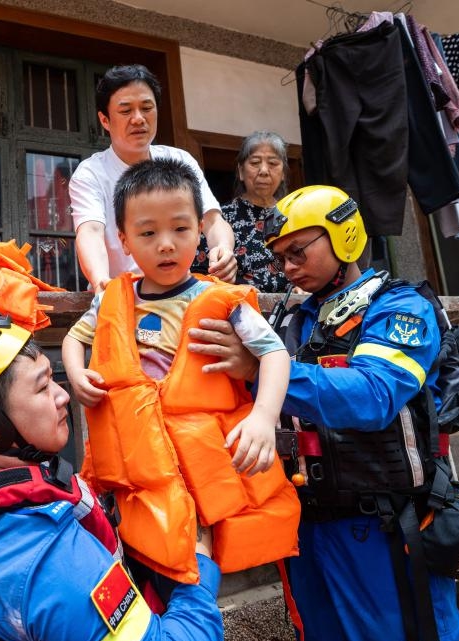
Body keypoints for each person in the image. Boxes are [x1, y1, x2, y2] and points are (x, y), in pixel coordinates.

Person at [194, 185, 459, 641]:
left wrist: (263, 368)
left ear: (344, 236)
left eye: (298, 250)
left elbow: (374, 395)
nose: (289, 266)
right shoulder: (288, 318)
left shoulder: (398, 305)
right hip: (304, 525)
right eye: (280, 257)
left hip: (381, 525)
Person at [0, 312, 225, 641]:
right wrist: (198, 571)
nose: (63, 397)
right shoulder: (46, 559)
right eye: (42, 387)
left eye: (54, 379)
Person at [62, 158, 298, 591]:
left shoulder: (220, 299)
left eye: (181, 229)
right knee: (143, 552)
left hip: (202, 460)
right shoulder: (114, 298)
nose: (166, 245)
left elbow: (275, 354)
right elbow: (75, 339)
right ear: (124, 241)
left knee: (196, 559)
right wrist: (76, 375)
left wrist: (263, 417)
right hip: (139, 461)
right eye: (148, 233)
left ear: (201, 233)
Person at [69, 64, 237, 291]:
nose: (138, 119)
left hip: (179, 291)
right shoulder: (90, 173)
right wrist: (101, 282)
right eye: (126, 111)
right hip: (119, 295)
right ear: (105, 120)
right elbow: (90, 231)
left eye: (147, 108)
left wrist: (224, 249)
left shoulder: (180, 160)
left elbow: (213, 220)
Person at [192, 131, 291, 293]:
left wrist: (300, 287)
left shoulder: (294, 215)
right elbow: (202, 275)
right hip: (238, 308)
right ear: (241, 171)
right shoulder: (219, 219)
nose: (264, 171)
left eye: (273, 163)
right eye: (255, 163)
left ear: (283, 174)